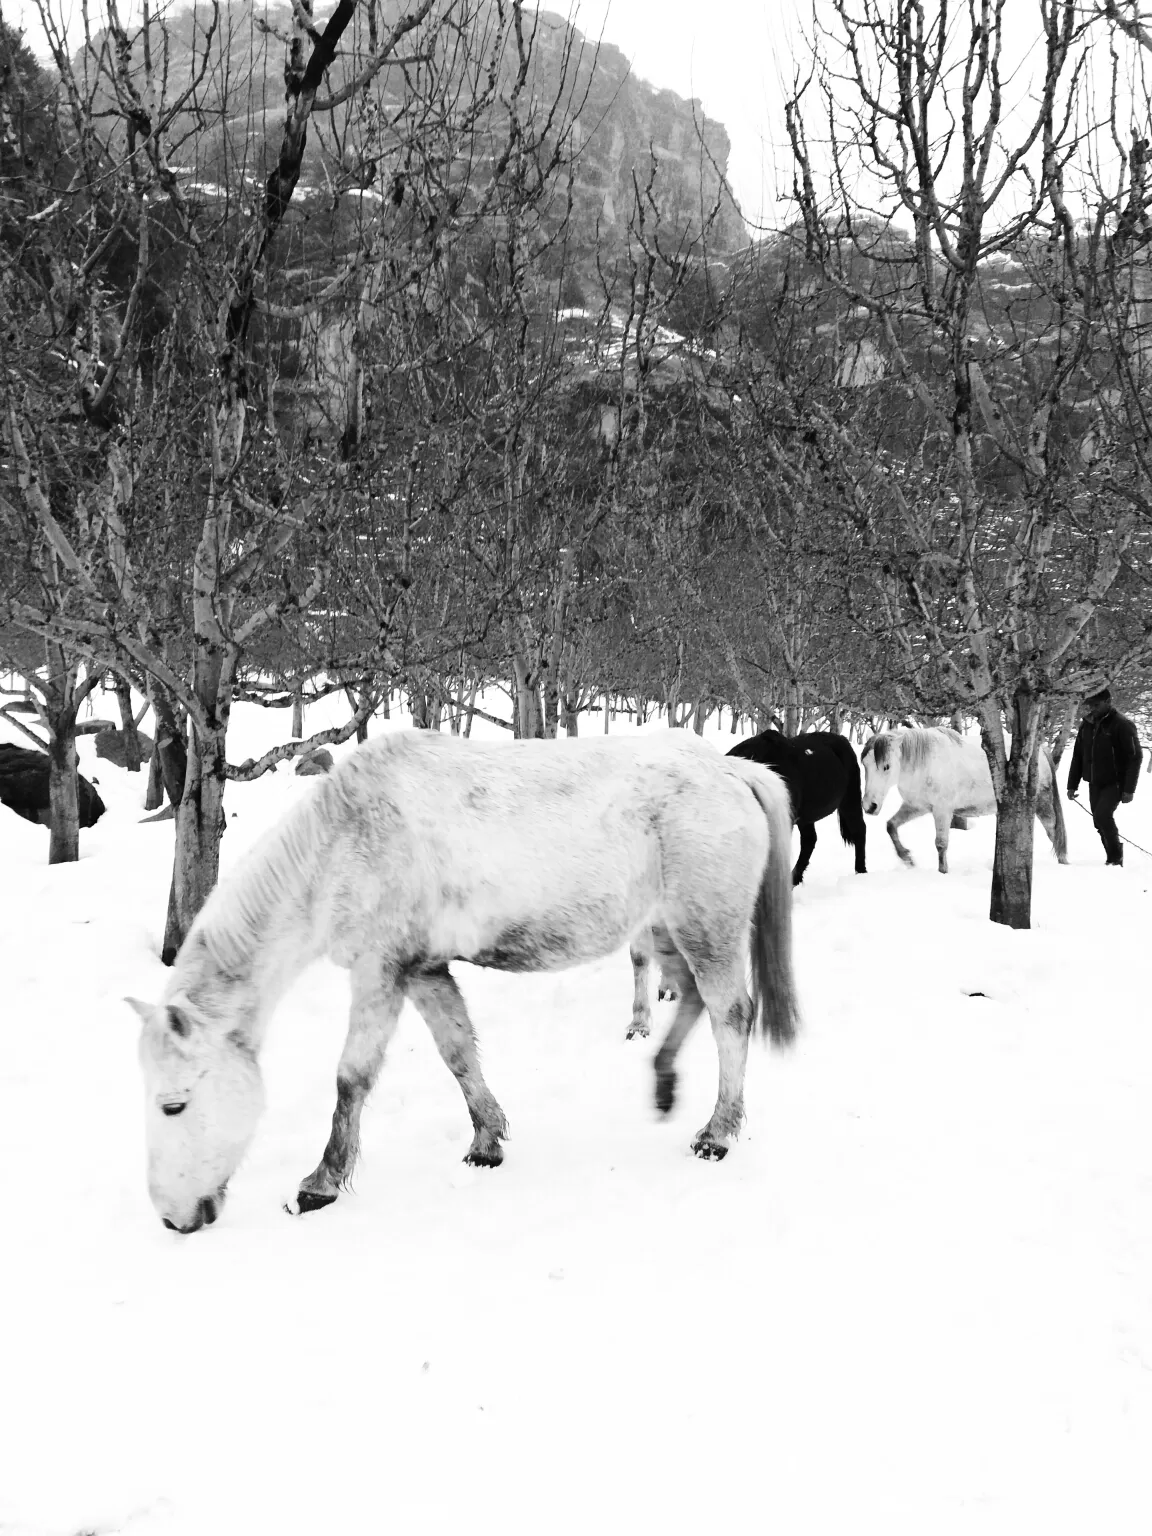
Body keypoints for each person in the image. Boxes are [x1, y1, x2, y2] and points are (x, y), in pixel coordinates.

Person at [1066, 687, 1143, 865]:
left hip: (1115, 781)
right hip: (1094, 781)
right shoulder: (1087, 724)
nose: (1092, 708)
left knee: (1102, 816)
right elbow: (1078, 755)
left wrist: (1129, 789)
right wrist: (1072, 785)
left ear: (1108, 702)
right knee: (1098, 821)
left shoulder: (1122, 724)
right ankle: (1112, 854)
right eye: (1090, 705)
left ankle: (1115, 858)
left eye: (1096, 704)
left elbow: (1135, 757)